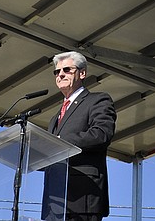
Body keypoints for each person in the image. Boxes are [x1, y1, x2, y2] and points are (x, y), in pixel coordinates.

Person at [41, 51, 117, 221]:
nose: (60, 74)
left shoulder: (97, 100)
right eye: (57, 71)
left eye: (67, 69)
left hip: (83, 199)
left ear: (82, 73)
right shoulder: (55, 118)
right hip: (54, 204)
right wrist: (35, 155)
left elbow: (101, 134)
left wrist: (59, 143)